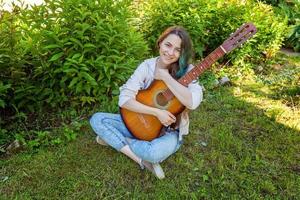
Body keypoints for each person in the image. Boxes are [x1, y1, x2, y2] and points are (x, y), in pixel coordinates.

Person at [89, 26, 203, 179]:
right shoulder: (147, 66)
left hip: (168, 132)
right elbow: (124, 99)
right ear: (160, 43)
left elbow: (193, 102)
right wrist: (157, 112)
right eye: (168, 45)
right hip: (139, 122)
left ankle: (114, 140)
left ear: (182, 53)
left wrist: (165, 76)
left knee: (153, 152)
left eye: (177, 49)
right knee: (97, 119)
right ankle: (141, 160)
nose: (170, 52)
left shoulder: (188, 70)